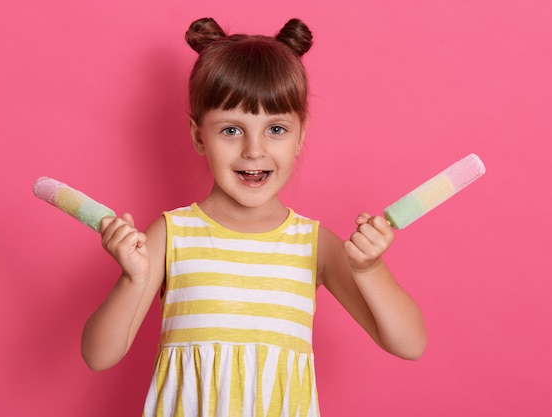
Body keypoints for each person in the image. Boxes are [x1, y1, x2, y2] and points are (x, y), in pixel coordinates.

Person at [81, 17, 427, 417]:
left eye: (276, 128)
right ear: (198, 135)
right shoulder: (172, 235)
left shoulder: (315, 245)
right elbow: (98, 355)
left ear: (301, 136)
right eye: (231, 130)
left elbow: (410, 344)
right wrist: (131, 279)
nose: (254, 150)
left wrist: (370, 269)